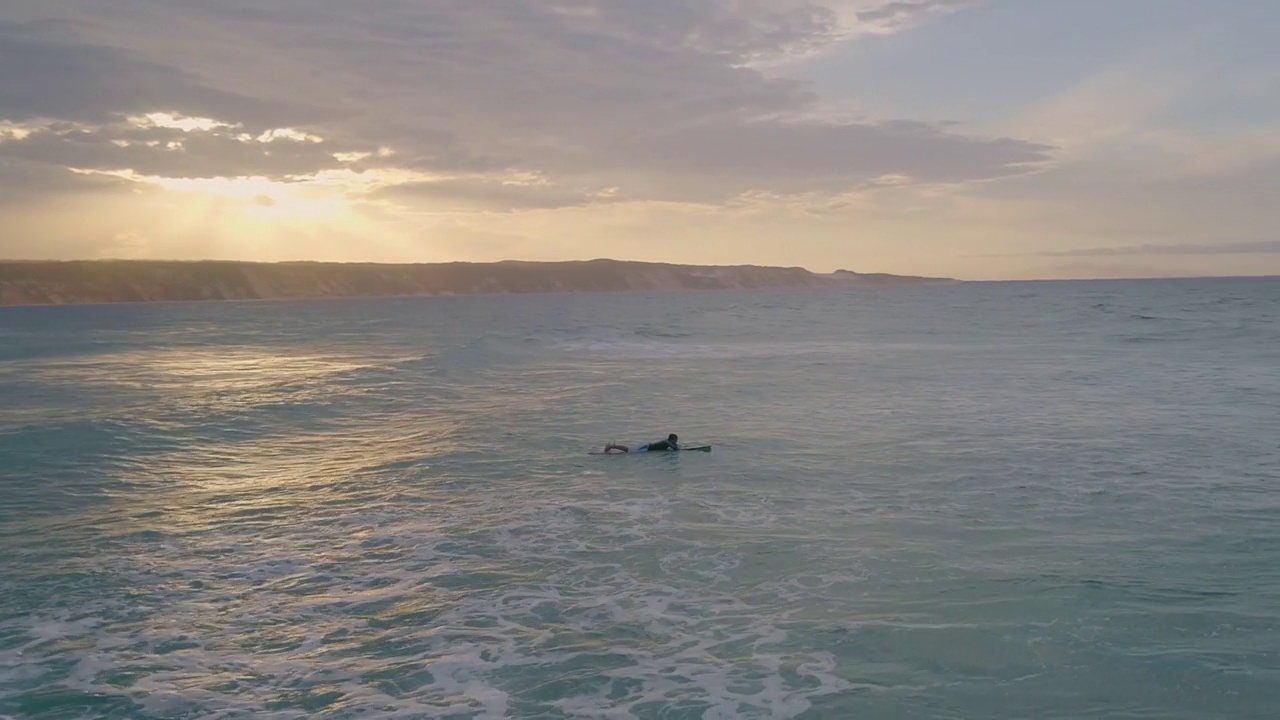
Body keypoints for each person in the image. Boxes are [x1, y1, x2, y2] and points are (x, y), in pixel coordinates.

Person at [604, 433, 679, 453]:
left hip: (646, 448)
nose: (676, 441)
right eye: (675, 440)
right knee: (628, 450)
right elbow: (675, 448)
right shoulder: (666, 442)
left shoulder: (668, 442)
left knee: (628, 450)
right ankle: (611, 446)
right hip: (645, 448)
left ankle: (612, 446)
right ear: (672, 439)